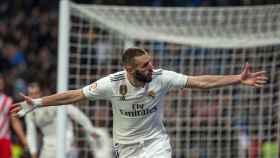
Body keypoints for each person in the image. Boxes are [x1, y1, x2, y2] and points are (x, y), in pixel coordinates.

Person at [10, 48, 268, 158]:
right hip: (127, 147)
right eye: (145, 65)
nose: (152, 67)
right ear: (129, 69)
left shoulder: (161, 77)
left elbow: (202, 82)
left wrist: (237, 78)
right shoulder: (112, 83)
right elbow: (74, 95)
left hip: (156, 142)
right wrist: (39, 102)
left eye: (151, 61)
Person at [24, 82, 112, 158]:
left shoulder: (53, 102)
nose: (34, 96)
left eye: (36, 93)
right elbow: (31, 133)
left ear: (41, 93)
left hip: (67, 140)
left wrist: (90, 129)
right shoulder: (30, 113)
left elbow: (77, 115)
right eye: (31, 94)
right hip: (48, 144)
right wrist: (33, 152)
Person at [0, 73, 28, 158]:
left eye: (1, 80)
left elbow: (15, 121)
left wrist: (25, 141)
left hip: (3, 140)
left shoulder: (8, 101)